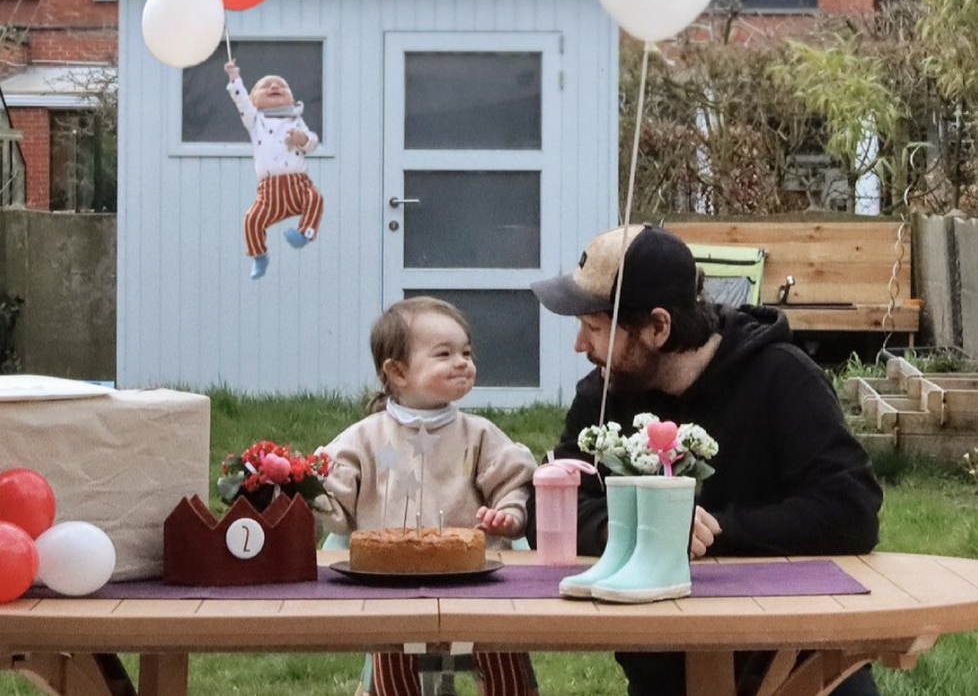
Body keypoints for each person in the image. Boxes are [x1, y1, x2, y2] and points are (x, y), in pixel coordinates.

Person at [528, 223, 884, 696]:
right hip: (667, 665)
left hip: (796, 658)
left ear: (658, 327)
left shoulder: (781, 377)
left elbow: (850, 510)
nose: (580, 345)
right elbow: (551, 503)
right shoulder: (605, 394)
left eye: (594, 327)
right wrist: (624, 529)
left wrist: (712, 532)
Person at [314, 296, 539, 696]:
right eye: (444, 354)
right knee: (392, 644)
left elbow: (513, 481)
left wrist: (508, 515)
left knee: (501, 644)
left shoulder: (479, 435)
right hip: (389, 586)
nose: (461, 362)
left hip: (474, 582)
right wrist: (307, 490)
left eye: (466, 352)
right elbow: (330, 495)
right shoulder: (365, 438)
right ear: (397, 371)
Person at [225, 59, 324, 279]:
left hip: (298, 185)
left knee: (315, 198)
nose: (274, 86)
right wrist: (234, 78)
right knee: (251, 220)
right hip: (269, 193)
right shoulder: (255, 120)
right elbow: (241, 101)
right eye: (266, 85)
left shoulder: (295, 119)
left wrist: (302, 138)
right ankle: (259, 255)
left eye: (281, 85)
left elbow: (313, 142)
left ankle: (304, 234)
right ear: (254, 100)